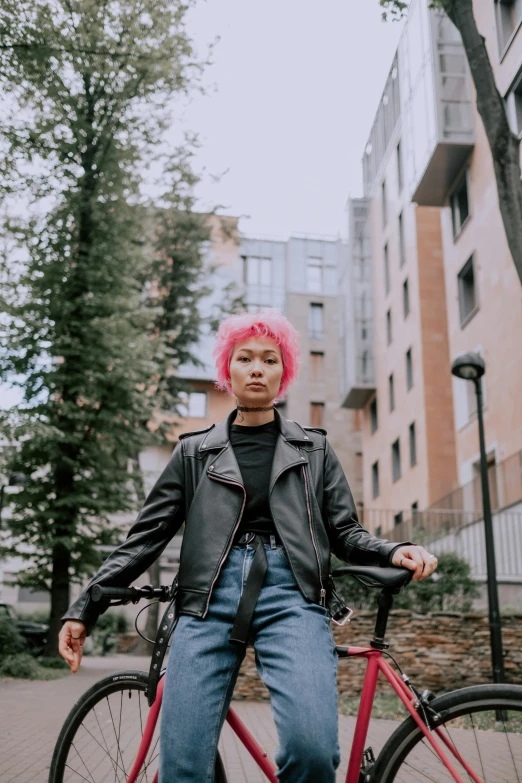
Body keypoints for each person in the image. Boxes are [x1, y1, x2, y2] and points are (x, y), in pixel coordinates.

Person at [59, 309, 438, 783]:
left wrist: (389, 550)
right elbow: (145, 538)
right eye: (245, 358)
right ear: (228, 369)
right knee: (182, 767)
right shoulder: (193, 453)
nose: (257, 368)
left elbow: (345, 533)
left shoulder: (314, 450)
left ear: (284, 372)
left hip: (294, 598)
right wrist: (86, 604)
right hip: (205, 602)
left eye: (269, 359)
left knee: (312, 751)